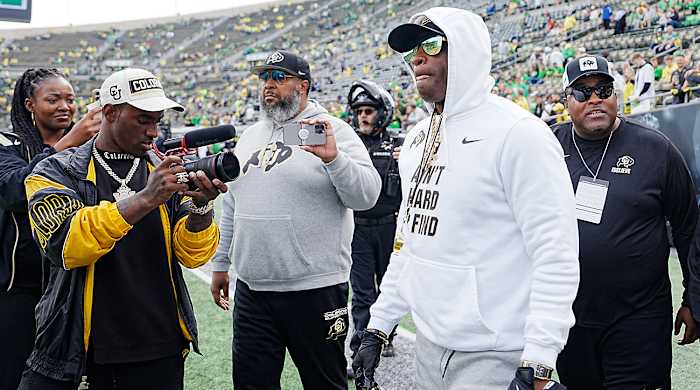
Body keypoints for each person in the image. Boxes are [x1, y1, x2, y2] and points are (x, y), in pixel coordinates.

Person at [352, 8, 578, 390]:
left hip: (496, 353)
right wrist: (379, 325)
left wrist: (539, 359)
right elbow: (410, 243)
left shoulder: (519, 134)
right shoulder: (419, 139)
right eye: (412, 51)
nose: (418, 57)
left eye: (432, 44)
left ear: (466, 51)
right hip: (429, 345)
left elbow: (555, 254)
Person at [17, 68, 225, 390]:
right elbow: (67, 245)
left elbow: (193, 255)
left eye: (157, 120)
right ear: (110, 112)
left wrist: (200, 210)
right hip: (83, 353)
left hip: (162, 347)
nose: (154, 131)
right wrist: (145, 199)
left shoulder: (161, 170)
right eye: (143, 119)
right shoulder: (55, 170)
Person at [209, 50, 381, 390]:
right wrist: (220, 263)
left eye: (278, 77)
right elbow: (231, 202)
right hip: (253, 291)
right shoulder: (251, 136)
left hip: (315, 290)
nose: (268, 85)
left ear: (303, 85)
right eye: (264, 78)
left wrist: (335, 160)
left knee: (324, 384)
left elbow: (367, 196)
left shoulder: (332, 129)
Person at [553, 55, 698, 390]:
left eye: (603, 89)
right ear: (565, 101)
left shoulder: (655, 148)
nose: (594, 99)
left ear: (616, 95)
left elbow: (689, 226)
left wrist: (694, 298)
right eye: (582, 92)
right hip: (569, 318)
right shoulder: (546, 146)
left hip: (639, 319)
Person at [0, 68, 100, 390]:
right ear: (29, 104)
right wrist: (70, 142)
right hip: (20, 289)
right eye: (53, 99)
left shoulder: (90, 148)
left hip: (74, 285)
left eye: (70, 100)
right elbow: (15, 191)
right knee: (14, 376)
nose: (65, 107)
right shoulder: (8, 143)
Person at [346, 80, 403, 361]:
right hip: (357, 229)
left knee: (388, 287)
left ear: (382, 113)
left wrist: (409, 162)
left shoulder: (401, 145)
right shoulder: (349, 145)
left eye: (368, 110)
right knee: (362, 292)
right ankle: (359, 348)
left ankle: (386, 336)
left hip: (391, 228)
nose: (363, 116)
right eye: (359, 112)